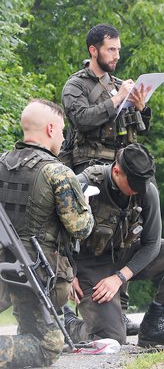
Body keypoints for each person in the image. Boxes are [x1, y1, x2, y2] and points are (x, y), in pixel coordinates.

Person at [61, 23, 152, 336]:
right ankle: (73, 307)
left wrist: (141, 107)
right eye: (111, 49)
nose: (116, 54)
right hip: (89, 173)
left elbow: (136, 128)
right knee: (92, 241)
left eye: (118, 49)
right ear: (93, 50)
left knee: (124, 235)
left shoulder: (117, 85)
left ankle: (120, 312)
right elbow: (81, 119)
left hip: (121, 173)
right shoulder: (76, 85)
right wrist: (116, 100)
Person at [68, 143, 164, 346]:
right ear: (116, 171)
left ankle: (153, 327)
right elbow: (56, 233)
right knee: (111, 339)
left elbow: (152, 244)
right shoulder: (83, 183)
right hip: (89, 263)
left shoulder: (146, 190)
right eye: (134, 185)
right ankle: (70, 326)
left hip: (123, 255)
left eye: (142, 186)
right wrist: (68, 273)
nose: (138, 191)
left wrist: (119, 277)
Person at [0, 99, 94, 368]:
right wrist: (85, 204)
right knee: (48, 347)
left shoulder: (1, 163)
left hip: (6, 269)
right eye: (63, 130)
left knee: (30, 332)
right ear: (51, 129)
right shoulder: (57, 172)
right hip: (37, 273)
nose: (64, 137)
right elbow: (81, 228)